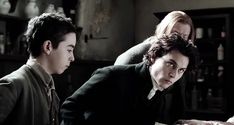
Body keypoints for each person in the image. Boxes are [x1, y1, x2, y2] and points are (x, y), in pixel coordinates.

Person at [60, 33, 199, 125]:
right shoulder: (113, 76)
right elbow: (69, 107)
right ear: (153, 57)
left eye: (181, 70)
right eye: (170, 64)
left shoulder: (159, 91)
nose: (174, 75)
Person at [0, 13, 77, 125]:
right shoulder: (13, 85)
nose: (72, 58)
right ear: (48, 47)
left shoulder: (50, 89)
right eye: (69, 50)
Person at [114, 10, 195, 65]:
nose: (179, 40)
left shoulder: (180, 58)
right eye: (175, 34)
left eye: (184, 36)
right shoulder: (141, 55)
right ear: (163, 31)